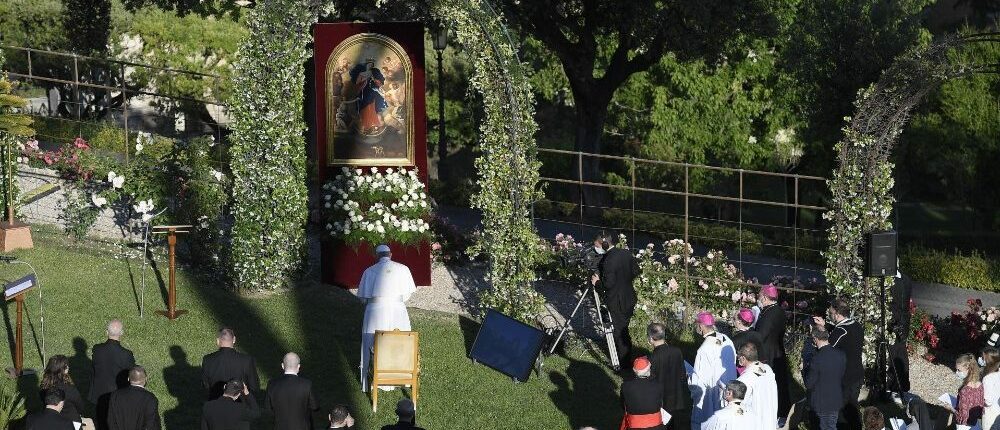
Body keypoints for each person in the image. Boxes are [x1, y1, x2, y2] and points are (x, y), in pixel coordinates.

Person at [357, 244, 417, 391]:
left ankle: (368, 380)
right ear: (390, 254)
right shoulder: (403, 269)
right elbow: (407, 295)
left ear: (376, 256)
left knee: (371, 342)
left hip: (375, 311)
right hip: (398, 310)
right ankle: (402, 376)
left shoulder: (369, 271)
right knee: (401, 340)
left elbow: (363, 298)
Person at [590, 233, 640, 368]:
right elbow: (636, 271)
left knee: (619, 332)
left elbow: (608, 285)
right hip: (629, 297)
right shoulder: (625, 253)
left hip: (617, 302)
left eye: (596, 246)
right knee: (624, 328)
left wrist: (597, 282)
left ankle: (624, 363)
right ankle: (626, 356)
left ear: (604, 245)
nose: (595, 249)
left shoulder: (608, 261)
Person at [813, 297, 863, 429]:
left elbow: (827, 348)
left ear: (837, 313)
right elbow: (839, 333)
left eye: (830, 312)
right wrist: (826, 326)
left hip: (845, 378)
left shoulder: (841, 331)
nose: (829, 314)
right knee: (853, 408)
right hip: (857, 373)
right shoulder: (856, 325)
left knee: (841, 413)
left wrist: (819, 333)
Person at [689, 312, 737, 430]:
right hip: (729, 385)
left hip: (712, 392)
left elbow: (699, 378)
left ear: (701, 326)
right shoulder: (725, 338)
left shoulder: (704, 349)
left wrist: (692, 385)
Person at [753, 284, 791, 419]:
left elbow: (760, 336)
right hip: (777, 351)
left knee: (771, 386)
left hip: (768, 354)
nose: (757, 298)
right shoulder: (778, 310)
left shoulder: (769, 314)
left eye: (759, 295)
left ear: (764, 297)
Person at [91, 320, 136, 430]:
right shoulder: (126, 354)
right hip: (117, 395)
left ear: (106, 332)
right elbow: (131, 373)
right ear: (122, 333)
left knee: (101, 422)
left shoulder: (97, 349)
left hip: (99, 392)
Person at [646, 323, 689, 429]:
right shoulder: (677, 351)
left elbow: (650, 380)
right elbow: (682, 374)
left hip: (662, 398)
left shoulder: (652, 358)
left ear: (651, 339)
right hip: (676, 394)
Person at [202, 328, 260, 400]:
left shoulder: (208, 359)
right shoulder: (246, 360)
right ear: (234, 339)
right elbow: (254, 386)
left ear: (218, 341)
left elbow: (205, 386)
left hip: (216, 404)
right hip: (240, 406)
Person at [805, 327, 845, 430]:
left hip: (821, 402)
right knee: (831, 426)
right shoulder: (841, 354)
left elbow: (809, 383)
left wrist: (805, 369)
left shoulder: (817, 358)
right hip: (835, 399)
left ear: (815, 338)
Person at [265, 352, 318, 430]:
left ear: (282, 366)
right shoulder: (307, 384)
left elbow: (268, 409)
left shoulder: (272, 384)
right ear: (299, 366)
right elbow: (315, 406)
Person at [735, 343, 778, 430]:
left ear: (743, 358)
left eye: (738, 356)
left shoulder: (744, 379)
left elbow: (739, 404)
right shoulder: (767, 369)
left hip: (755, 422)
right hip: (770, 416)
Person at [107, 366, 161, 430]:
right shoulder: (150, 399)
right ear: (146, 379)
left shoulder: (115, 396)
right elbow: (151, 425)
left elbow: (111, 421)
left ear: (128, 379)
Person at [620, 356, 666, 430]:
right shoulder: (658, 385)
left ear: (634, 371)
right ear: (648, 369)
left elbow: (623, 405)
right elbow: (661, 403)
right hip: (656, 427)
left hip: (634, 427)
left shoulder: (626, 386)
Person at [40, 354, 85, 425]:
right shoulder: (69, 389)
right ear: (63, 370)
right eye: (66, 365)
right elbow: (80, 406)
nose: (68, 367)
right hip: (70, 422)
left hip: (51, 420)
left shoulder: (44, 386)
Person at [949, 353, 985, 429]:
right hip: (976, 424)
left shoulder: (965, 390)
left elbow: (962, 417)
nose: (957, 372)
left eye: (959, 370)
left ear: (969, 369)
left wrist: (950, 408)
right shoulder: (980, 385)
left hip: (964, 426)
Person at [731, 308, 762, 373]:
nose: (733, 321)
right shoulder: (757, 335)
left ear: (739, 321)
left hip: (742, 372)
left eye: (734, 319)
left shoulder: (737, 339)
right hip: (758, 369)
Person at [982, 347, 1000, 430]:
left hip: (990, 415)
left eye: (983, 358)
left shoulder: (988, 378)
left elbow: (988, 401)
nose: (981, 360)